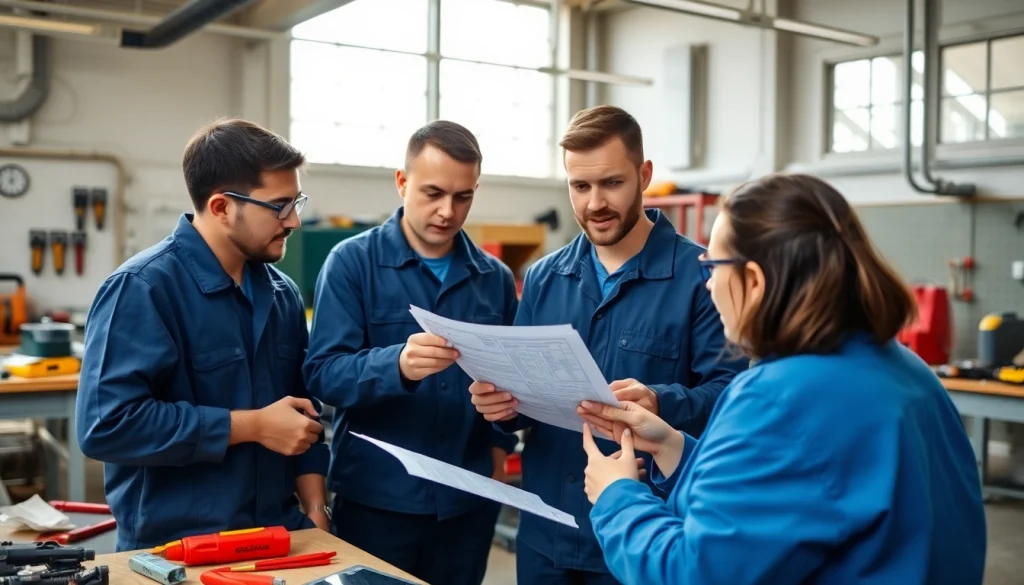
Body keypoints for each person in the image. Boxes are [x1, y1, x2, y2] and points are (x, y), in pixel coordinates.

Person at [578, 173, 988, 585]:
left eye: (713, 267)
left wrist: (618, 499)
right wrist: (672, 446)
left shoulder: (776, 399)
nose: (709, 283)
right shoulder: (908, 369)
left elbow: (694, 573)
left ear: (753, 281)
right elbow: (792, 489)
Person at [468, 105, 747, 584]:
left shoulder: (701, 277)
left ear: (644, 175)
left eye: (612, 184)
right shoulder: (543, 277)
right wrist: (502, 404)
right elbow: (524, 390)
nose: (594, 202)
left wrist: (662, 401)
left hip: (646, 534)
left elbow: (730, 397)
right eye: (580, 186)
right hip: (548, 530)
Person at [76, 119, 330, 551]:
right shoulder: (143, 289)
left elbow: (303, 414)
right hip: (176, 548)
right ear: (221, 207)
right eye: (280, 206)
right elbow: (106, 425)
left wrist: (316, 508)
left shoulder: (282, 295)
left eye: (297, 202)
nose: (295, 221)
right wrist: (250, 426)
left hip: (282, 535)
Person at [303, 120, 519, 585]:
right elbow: (322, 374)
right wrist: (395, 365)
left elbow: (512, 379)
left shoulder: (494, 279)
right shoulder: (351, 264)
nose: (447, 211)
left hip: (469, 502)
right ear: (402, 183)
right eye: (433, 193)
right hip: (378, 504)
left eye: (464, 196)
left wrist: (501, 446)